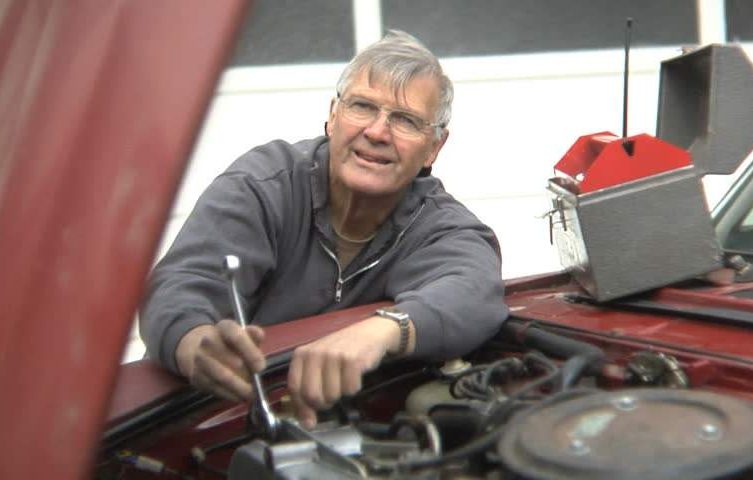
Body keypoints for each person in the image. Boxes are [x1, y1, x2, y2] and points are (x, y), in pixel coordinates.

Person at [139, 30, 508, 428]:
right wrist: (194, 342)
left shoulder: (437, 223)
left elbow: (474, 289)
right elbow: (180, 284)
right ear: (333, 116)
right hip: (211, 419)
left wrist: (383, 331)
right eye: (363, 106)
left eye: (405, 120)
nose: (377, 132)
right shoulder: (263, 184)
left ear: (434, 147)